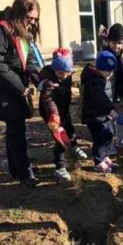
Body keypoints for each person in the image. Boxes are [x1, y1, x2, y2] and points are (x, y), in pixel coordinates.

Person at [0, 0, 41, 187]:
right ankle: (23, 172)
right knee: (16, 129)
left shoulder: (20, 29)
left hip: (15, 86)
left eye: (35, 19)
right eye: (29, 18)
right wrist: (19, 86)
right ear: (19, 13)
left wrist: (34, 74)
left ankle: (19, 167)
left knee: (16, 128)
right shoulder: (0, 28)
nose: (32, 22)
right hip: (4, 89)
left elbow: (27, 54)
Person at [38, 48, 88, 182]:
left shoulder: (66, 75)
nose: (65, 76)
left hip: (64, 109)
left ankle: (74, 147)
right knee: (60, 138)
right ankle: (59, 166)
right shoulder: (48, 82)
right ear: (56, 70)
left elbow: (66, 90)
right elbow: (48, 100)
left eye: (67, 72)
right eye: (61, 73)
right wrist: (53, 115)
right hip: (51, 114)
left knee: (70, 129)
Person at [80, 51, 122, 173]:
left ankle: (105, 156)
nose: (111, 74)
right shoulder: (94, 81)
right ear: (100, 68)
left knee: (108, 134)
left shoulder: (103, 77)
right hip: (94, 116)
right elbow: (100, 98)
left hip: (104, 114)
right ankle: (98, 161)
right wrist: (110, 109)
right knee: (99, 138)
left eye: (112, 71)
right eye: (109, 71)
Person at [101, 23, 123, 150]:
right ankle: (109, 143)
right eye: (113, 42)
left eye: (119, 43)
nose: (117, 46)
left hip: (121, 92)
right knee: (109, 120)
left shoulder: (122, 57)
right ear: (108, 41)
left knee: (121, 118)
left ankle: (120, 140)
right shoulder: (104, 56)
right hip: (108, 93)